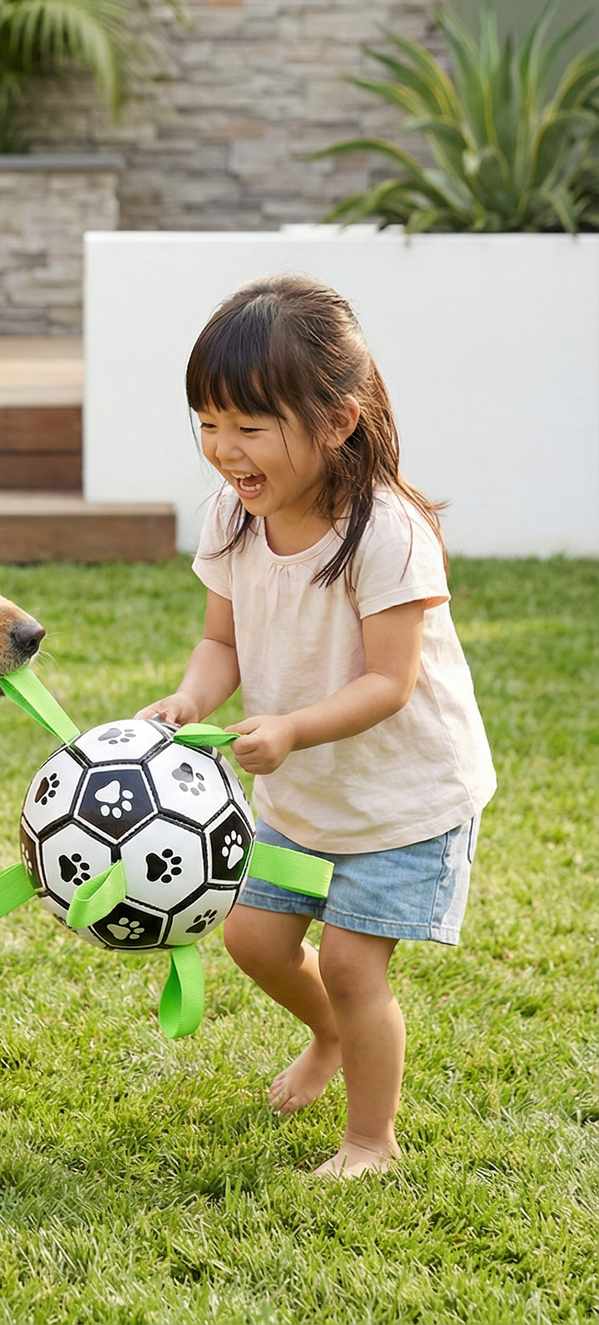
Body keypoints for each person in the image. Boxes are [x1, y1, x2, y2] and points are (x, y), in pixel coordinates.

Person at [139, 275, 495, 1178]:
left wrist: (292, 727)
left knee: (348, 960)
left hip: (404, 799)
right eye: (208, 423)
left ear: (336, 421)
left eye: (249, 428)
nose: (223, 450)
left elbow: (389, 681)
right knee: (252, 938)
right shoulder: (233, 515)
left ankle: (370, 1139)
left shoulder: (386, 534)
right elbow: (220, 642)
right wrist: (189, 699)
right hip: (303, 793)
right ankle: (329, 1037)